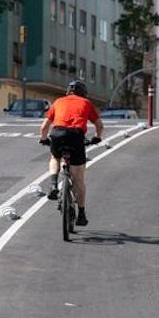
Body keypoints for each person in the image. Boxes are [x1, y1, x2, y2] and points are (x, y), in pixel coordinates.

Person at [38, 80, 105, 226]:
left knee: (55, 157)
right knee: (78, 177)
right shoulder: (86, 103)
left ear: (68, 91)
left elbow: (44, 127)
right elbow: (99, 125)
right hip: (76, 136)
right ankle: (81, 213)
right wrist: (97, 138)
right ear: (83, 93)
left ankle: (54, 184)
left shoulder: (58, 102)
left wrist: (44, 139)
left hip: (57, 134)